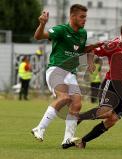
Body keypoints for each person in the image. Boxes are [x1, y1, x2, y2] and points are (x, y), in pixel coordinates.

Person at [71, 21, 122, 149]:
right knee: (106, 112)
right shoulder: (112, 45)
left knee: (112, 119)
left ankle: (83, 141)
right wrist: (91, 63)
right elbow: (92, 50)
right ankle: (79, 117)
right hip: (111, 84)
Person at [31, 4, 100, 149]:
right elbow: (38, 36)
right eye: (82, 17)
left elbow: (83, 50)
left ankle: (67, 139)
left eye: (85, 17)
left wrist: (90, 58)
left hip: (70, 73)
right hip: (56, 70)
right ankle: (40, 128)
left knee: (76, 104)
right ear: (73, 16)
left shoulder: (82, 33)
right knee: (64, 97)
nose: (84, 20)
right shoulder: (61, 30)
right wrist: (42, 24)